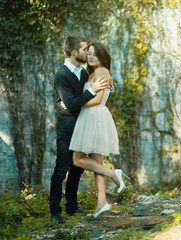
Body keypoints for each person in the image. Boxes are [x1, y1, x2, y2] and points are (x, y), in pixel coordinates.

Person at [50, 34, 109, 224]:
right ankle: (55, 212)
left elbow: (80, 100)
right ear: (75, 52)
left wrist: (104, 89)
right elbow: (73, 103)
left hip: (84, 125)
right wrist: (89, 92)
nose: (87, 52)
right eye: (85, 49)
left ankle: (72, 208)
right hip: (67, 128)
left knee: (77, 169)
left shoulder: (83, 73)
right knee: (61, 169)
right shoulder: (61, 75)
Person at [69, 42, 128, 218]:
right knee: (96, 162)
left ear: (102, 57)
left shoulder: (101, 71)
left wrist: (77, 105)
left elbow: (98, 99)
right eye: (89, 54)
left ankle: (113, 173)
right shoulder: (93, 73)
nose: (91, 56)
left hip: (93, 115)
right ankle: (101, 202)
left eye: (95, 54)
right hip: (91, 116)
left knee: (77, 159)